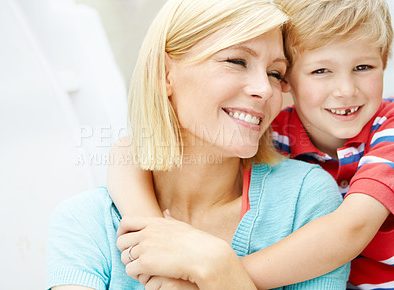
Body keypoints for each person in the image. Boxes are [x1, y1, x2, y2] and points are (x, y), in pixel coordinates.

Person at [46, 0, 349, 289]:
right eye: (236, 61)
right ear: (166, 74)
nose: (265, 90)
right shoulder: (86, 222)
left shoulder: (306, 202)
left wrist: (218, 268)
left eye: (275, 73)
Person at [107, 0, 394, 288]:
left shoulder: (389, 129)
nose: (346, 90)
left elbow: (352, 229)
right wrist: (152, 231)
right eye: (320, 71)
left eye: (363, 67)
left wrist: (210, 274)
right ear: (287, 82)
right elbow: (127, 152)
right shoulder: (274, 128)